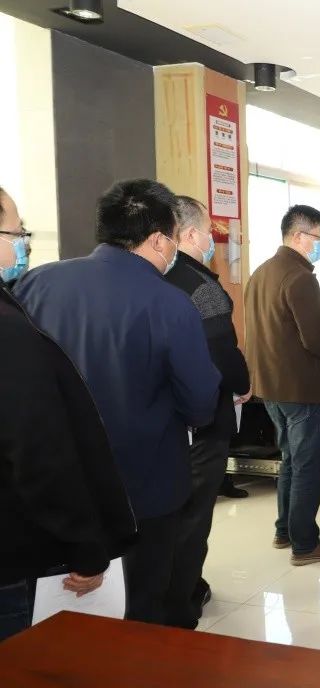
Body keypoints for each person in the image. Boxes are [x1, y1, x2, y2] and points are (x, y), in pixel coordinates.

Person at [14, 179, 220, 624]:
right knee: (141, 609)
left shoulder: (35, 283)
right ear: (160, 240)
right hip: (144, 488)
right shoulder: (171, 304)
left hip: (54, 485)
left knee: (50, 621)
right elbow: (201, 403)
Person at [0, 188, 137, 641]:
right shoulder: (7, 329)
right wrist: (85, 545)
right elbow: (37, 451)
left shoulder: (26, 294)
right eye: (16, 232)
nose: (23, 242)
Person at [162, 196, 251, 628]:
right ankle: (184, 594)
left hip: (164, 418)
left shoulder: (154, 277)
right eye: (210, 232)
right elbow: (223, 351)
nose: (213, 240)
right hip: (204, 416)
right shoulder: (201, 286)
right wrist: (242, 383)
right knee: (195, 512)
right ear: (192, 234)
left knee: (167, 511)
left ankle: (166, 588)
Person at [245, 204, 320, 566]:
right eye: (318, 236)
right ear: (299, 236)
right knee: (307, 466)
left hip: (271, 387)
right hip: (302, 389)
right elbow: (316, 341)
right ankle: (305, 544)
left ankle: (284, 530)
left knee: (290, 461)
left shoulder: (261, 273)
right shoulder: (301, 277)